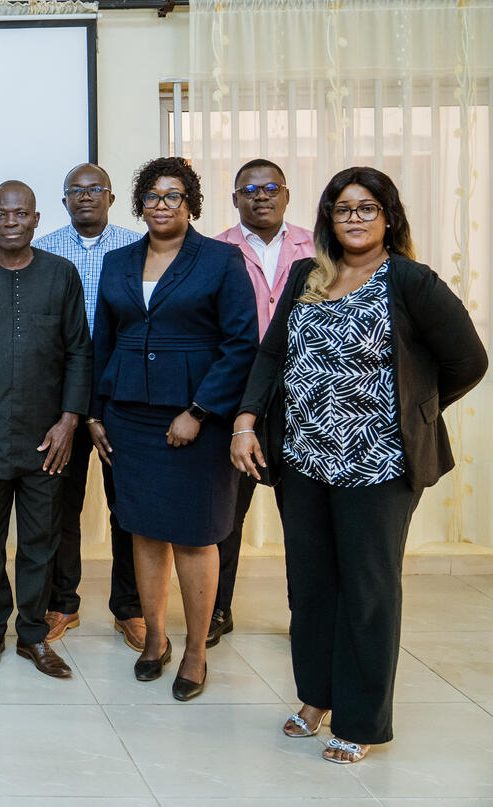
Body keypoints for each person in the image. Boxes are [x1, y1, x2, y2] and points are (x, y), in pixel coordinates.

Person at [232, 166, 486, 764]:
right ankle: (316, 698)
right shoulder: (307, 274)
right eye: (343, 208)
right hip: (303, 459)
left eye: (366, 208)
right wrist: (245, 421)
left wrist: (412, 412)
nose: (354, 218)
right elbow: (271, 356)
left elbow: (468, 360)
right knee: (310, 585)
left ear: (388, 217)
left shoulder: (410, 281)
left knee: (367, 590)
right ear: (328, 218)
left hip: (379, 465)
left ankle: (362, 720)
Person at [88, 157, 256, 701]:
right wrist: (95, 413)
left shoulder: (221, 260)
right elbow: (104, 340)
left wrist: (199, 411)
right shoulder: (118, 261)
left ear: (191, 204)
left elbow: (241, 344)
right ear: (140, 204)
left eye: (173, 196)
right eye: (153, 196)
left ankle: (196, 651)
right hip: (129, 417)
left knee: (195, 533)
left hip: (195, 419)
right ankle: (155, 639)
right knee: (143, 529)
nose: (162, 205)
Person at [0, 181, 89, 679]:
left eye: (21, 214)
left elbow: (79, 350)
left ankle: (33, 636)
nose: (11, 222)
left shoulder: (61, 274)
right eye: (2, 214)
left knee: (40, 542)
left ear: (36, 220)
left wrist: (69, 421)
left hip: (45, 438)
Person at [31, 163, 143, 648]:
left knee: (129, 505)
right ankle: (63, 603)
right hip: (64, 398)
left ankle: (131, 608)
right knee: (61, 504)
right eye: (75, 190)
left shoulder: (138, 248)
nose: (85, 196)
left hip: (123, 393)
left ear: (111, 197)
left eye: (95, 188)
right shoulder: (43, 251)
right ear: (64, 201)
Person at [208, 158, 314, 647]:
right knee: (225, 515)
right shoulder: (215, 252)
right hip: (235, 402)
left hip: (302, 401)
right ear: (235, 199)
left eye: (271, 188)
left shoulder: (318, 248)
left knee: (305, 518)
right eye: (249, 190)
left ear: (286, 194)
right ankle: (216, 608)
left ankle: (306, 615)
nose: (261, 197)